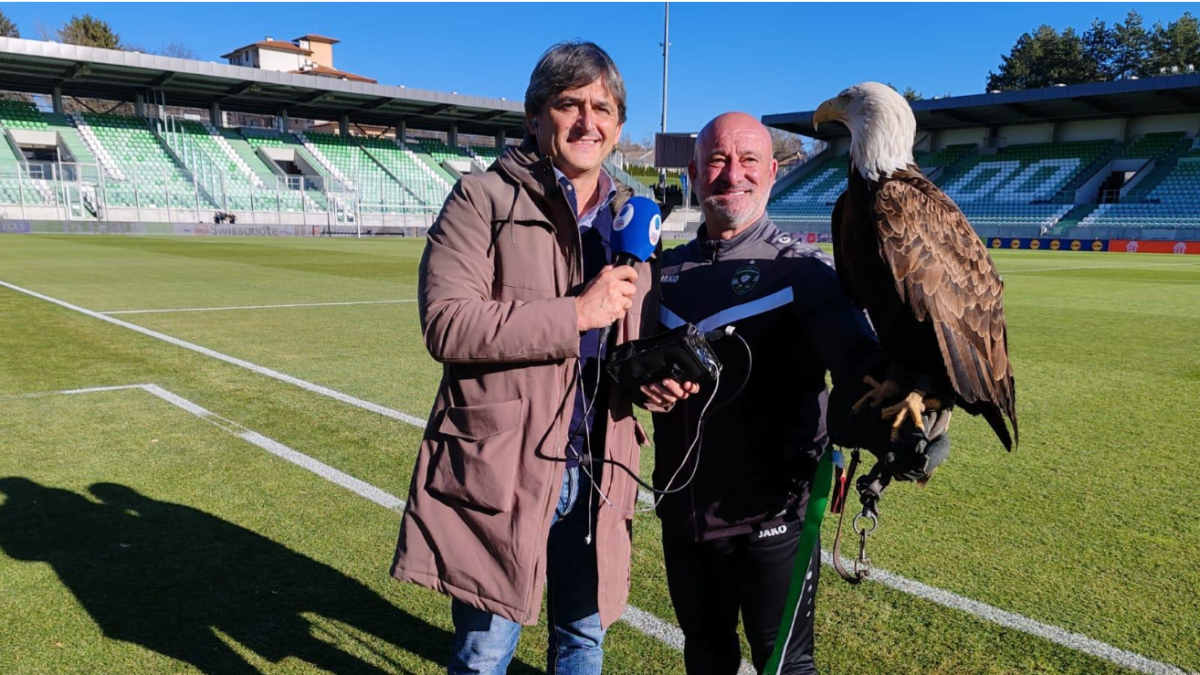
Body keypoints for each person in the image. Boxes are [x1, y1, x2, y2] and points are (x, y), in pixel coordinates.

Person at [390, 41, 695, 675]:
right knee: (485, 651)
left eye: (604, 109)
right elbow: (447, 325)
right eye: (570, 105)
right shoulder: (482, 199)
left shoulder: (633, 217)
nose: (589, 122)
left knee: (584, 639)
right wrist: (575, 314)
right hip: (508, 463)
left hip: (602, 462)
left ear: (618, 127)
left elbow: (623, 342)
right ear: (535, 118)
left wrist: (651, 381)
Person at [647, 112, 888, 675]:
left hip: (771, 517)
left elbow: (859, 359)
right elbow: (629, 366)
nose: (733, 175)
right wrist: (646, 385)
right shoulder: (663, 271)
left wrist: (894, 404)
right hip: (682, 512)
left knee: (783, 664)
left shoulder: (803, 272)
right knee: (705, 654)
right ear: (694, 173)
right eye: (717, 160)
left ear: (773, 173)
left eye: (749, 160)